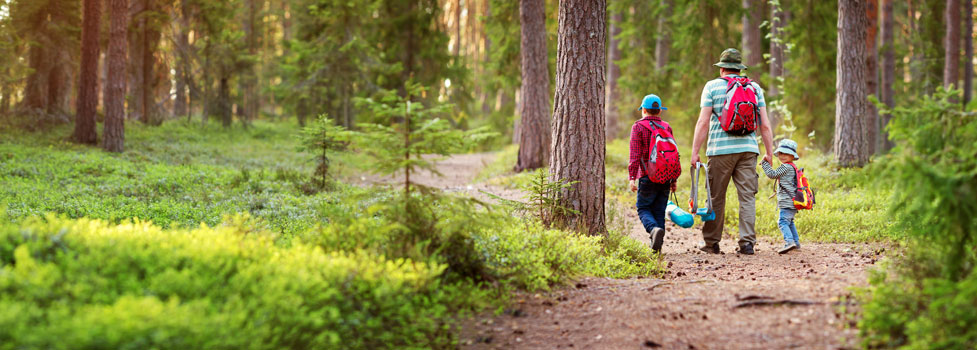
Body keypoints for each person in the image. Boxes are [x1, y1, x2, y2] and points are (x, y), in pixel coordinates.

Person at [689, 48, 775, 255]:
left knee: (716, 197)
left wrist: (695, 151)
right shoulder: (754, 88)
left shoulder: (711, 87)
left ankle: (711, 243)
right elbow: (764, 125)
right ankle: (747, 243)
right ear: (739, 68)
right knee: (747, 197)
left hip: (720, 151)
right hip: (748, 150)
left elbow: (703, 122)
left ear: (722, 69)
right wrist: (769, 153)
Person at [629, 94, 679, 253]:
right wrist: (673, 179)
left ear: (643, 110)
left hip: (646, 175)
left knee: (643, 207)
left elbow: (635, 155)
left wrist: (632, 178)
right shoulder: (667, 126)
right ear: (659, 111)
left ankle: (652, 230)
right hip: (665, 176)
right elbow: (672, 155)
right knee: (659, 209)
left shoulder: (638, 127)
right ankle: (657, 248)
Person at [761, 139, 802, 254]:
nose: (783, 156)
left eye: (786, 154)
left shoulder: (786, 167)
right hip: (793, 201)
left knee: (782, 222)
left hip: (787, 201)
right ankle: (796, 243)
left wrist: (765, 163)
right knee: (790, 222)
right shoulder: (792, 167)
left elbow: (772, 174)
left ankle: (789, 242)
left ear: (792, 156)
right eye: (781, 153)